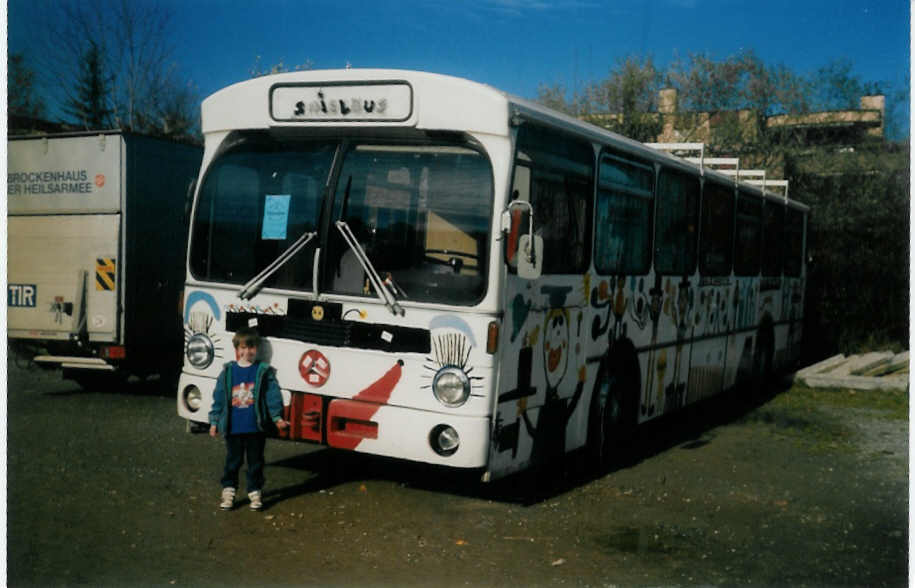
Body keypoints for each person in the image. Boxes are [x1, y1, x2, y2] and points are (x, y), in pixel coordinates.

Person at [209, 327, 288, 511]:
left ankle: (255, 492)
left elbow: (273, 396)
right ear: (237, 349)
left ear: (257, 349)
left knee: (256, 463)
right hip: (233, 428)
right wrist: (214, 422)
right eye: (243, 348)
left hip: (255, 428)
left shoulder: (263, 371)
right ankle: (228, 492)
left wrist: (277, 418)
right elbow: (219, 398)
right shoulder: (228, 372)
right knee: (233, 462)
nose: (247, 352)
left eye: (251, 347)